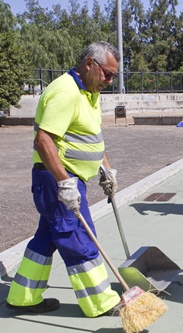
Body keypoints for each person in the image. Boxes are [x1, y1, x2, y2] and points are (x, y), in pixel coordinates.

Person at [6, 42, 122, 317]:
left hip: (68, 177)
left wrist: (105, 168)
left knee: (46, 238)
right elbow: (43, 141)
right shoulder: (64, 92)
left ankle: (23, 296)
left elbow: (91, 138)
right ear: (89, 64)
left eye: (114, 75)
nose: (110, 80)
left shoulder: (89, 94)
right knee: (77, 237)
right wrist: (65, 183)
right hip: (56, 178)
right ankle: (101, 302)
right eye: (108, 73)